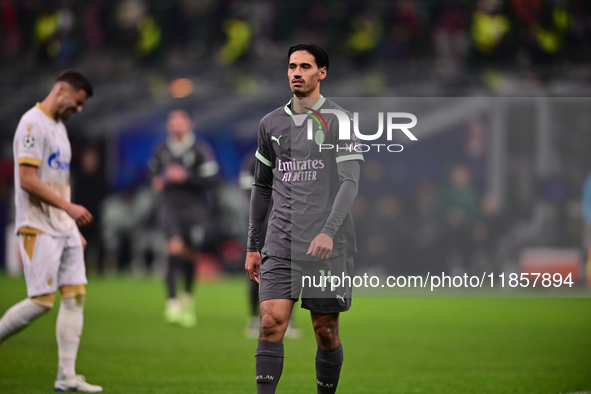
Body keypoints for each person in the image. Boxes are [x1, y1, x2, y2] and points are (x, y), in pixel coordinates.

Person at [245, 44, 362, 394]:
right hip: (280, 242)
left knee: (325, 330)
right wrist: (253, 244)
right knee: (270, 323)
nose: (296, 72)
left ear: (321, 73)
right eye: (292, 66)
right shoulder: (270, 124)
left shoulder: (339, 121)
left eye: (305, 66)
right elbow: (261, 187)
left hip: (327, 247)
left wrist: (328, 232)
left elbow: (350, 183)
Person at [0, 70, 102, 392]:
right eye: (78, 101)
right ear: (61, 90)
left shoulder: (59, 129)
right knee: (41, 301)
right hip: (37, 224)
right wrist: (69, 209)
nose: (79, 109)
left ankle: (66, 377)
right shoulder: (32, 124)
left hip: (61, 224)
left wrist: (69, 222)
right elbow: (28, 180)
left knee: (75, 296)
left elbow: (59, 182)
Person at [149, 109, 220, 327]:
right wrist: (159, 180)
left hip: (194, 209)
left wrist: (186, 177)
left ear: (189, 125)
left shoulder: (200, 150)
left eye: (180, 122)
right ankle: (172, 302)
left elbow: (213, 179)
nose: (176, 126)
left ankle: (187, 299)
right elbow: (153, 174)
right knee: (174, 248)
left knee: (189, 256)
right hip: (170, 207)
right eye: (172, 122)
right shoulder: (162, 149)